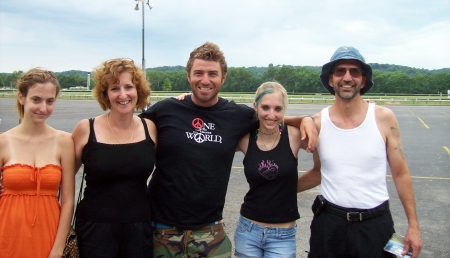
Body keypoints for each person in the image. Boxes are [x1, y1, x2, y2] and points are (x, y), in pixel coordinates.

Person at [139, 41, 317, 258]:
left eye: (212, 73)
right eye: (199, 73)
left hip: (209, 231)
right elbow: (128, 134)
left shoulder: (237, 115)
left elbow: (270, 117)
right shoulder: (165, 110)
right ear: (188, 75)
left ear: (223, 77)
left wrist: (304, 119)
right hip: (161, 230)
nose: (205, 80)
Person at [302, 46, 423, 258]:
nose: (347, 77)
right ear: (330, 80)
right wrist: (279, 191)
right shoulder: (318, 123)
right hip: (329, 225)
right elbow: (319, 171)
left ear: (363, 80)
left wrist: (414, 226)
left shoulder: (384, 118)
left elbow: (400, 173)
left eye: (354, 71)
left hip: (374, 225)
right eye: (340, 71)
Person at [71, 58, 157, 258]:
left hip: (139, 230)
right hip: (94, 230)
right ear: (105, 94)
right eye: (115, 88)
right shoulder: (86, 128)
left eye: (129, 87)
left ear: (138, 91)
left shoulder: (150, 128)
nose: (123, 94)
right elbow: (63, 178)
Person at [234, 82, 320, 258]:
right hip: (247, 230)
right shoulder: (244, 138)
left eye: (278, 109)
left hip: (282, 236)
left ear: (284, 110)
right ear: (255, 107)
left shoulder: (295, 136)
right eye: (265, 107)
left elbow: (321, 171)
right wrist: (185, 100)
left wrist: (306, 119)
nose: (271, 115)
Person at [0, 68, 75, 258]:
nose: (43, 108)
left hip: (48, 237)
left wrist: (58, 249)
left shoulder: (64, 141)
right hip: (7, 236)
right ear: (21, 98)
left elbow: (67, 201)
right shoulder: (3, 142)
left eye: (50, 101)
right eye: (36, 99)